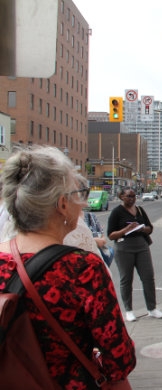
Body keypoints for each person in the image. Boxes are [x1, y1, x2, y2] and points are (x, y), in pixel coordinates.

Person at [0, 147, 136, 387]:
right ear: (62, 205)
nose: (82, 204)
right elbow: (119, 361)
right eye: (79, 194)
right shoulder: (82, 269)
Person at [108, 186, 162, 322]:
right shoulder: (117, 212)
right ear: (121, 196)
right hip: (124, 247)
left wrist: (143, 229)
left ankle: (152, 309)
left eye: (134, 196)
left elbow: (150, 228)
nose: (132, 198)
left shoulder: (139, 209)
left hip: (141, 246)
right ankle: (128, 310)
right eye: (129, 196)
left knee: (148, 277)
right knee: (126, 279)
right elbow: (111, 235)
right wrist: (126, 229)